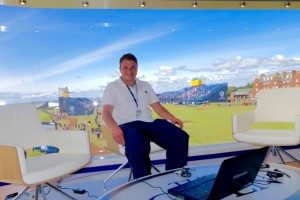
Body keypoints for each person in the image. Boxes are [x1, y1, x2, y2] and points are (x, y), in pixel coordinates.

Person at [102, 53, 189, 179]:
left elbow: (157, 106)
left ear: (137, 68)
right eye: (125, 67)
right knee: (137, 139)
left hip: (148, 123)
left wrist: (172, 117)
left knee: (180, 136)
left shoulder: (145, 85)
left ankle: (173, 175)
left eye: (133, 67)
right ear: (120, 69)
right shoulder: (112, 87)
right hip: (127, 125)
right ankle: (143, 180)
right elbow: (106, 112)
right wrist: (115, 128)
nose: (129, 71)